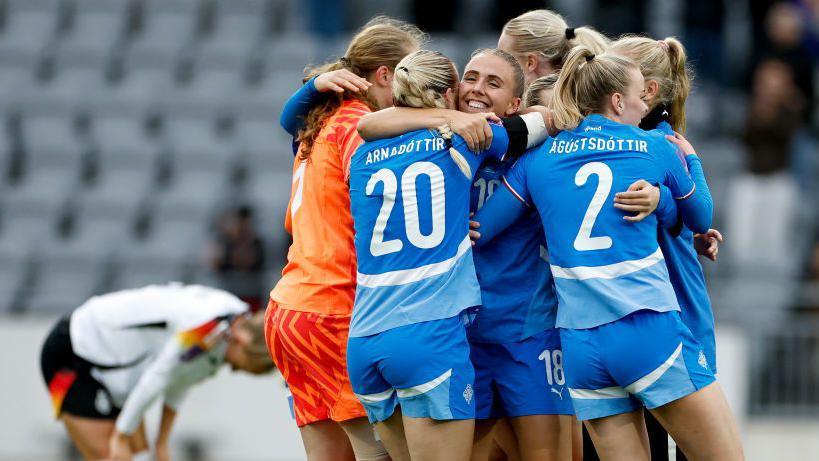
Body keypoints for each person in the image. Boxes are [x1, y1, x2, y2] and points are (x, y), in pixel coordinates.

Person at [471, 47, 744, 461]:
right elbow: (701, 216)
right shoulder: (655, 146)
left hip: (582, 348)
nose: (644, 106)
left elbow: (481, 228)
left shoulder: (538, 160)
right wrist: (693, 160)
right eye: (640, 96)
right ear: (618, 101)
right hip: (646, 329)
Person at [347, 49, 529, 461]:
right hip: (427, 336)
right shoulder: (463, 139)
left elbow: (370, 125)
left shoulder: (359, 158)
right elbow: (536, 128)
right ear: (448, 94)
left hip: (364, 340)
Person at [266, 16, 425, 461]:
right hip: (333, 310)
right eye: (410, 80)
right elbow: (381, 218)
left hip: (289, 310)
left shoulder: (318, 121)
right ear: (384, 75)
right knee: (382, 454)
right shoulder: (360, 128)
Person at [600, 34, 725, 461]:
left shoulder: (665, 144)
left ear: (645, 92)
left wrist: (664, 203)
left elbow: (699, 212)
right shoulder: (607, 141)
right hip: (634, 318)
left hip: (677, 310)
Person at [39, 283, 273, 461]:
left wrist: (162, 442)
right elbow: (161, 374)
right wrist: (121, 436)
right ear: (242, 342)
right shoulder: (208, 327)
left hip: (117, 372)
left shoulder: (235, 316)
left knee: (141, 454)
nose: (236, 370)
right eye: (245, 367)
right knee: (110, 454)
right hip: (72, 350)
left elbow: (182, 378)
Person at [498, 9, 610, 86]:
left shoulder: (547, 115)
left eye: (504, 58)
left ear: (530, 63)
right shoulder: (585, 98)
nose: (497, 65)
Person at [205, 205, 267, 312]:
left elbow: (252, 263)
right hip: (229, 293)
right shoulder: (226, 242)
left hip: (252, 295)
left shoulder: (257, 243)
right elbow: (215, 263)